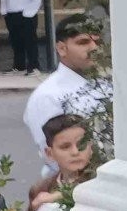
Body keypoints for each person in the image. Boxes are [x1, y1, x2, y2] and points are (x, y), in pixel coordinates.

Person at [22, 15, 110, 165]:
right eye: (83, 42)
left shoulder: (107, 84)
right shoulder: (48, 96)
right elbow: (53, 157)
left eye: (97, 41)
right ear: (62, 48)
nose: (94, 48)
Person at [0, 0, 44, 74]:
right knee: (16, 41)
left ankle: (34, 66)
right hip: (12, 15)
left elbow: (36, 0)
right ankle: (19, 65)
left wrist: (28, 13)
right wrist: (3, 11)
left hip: (27, 14)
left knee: (30, 40)